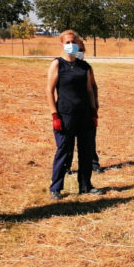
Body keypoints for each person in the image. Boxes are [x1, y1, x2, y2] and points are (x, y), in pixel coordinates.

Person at [46, 30, 100, 199]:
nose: (71, 45)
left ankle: (86, 185)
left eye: (73, 42)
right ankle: (56, 188)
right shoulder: (57, 64)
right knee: (64, 151)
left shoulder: (84, 66)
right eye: (67, 42)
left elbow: (90, 90)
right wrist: (55, 115)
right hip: (65, 115)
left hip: (84, 115)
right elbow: (49, 90)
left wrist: (93, 112)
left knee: (86, 151)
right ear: (61, 44)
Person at [75, 39, 103, 173]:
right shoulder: (63, 67)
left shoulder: (86, 67)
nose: (79, 53)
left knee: (90, 138)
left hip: (87, 109)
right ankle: (66, 166)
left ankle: (94, 163)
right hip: (71, 109)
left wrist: (95, 106)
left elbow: (93, 87)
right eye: (77, 50)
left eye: (81, 51)